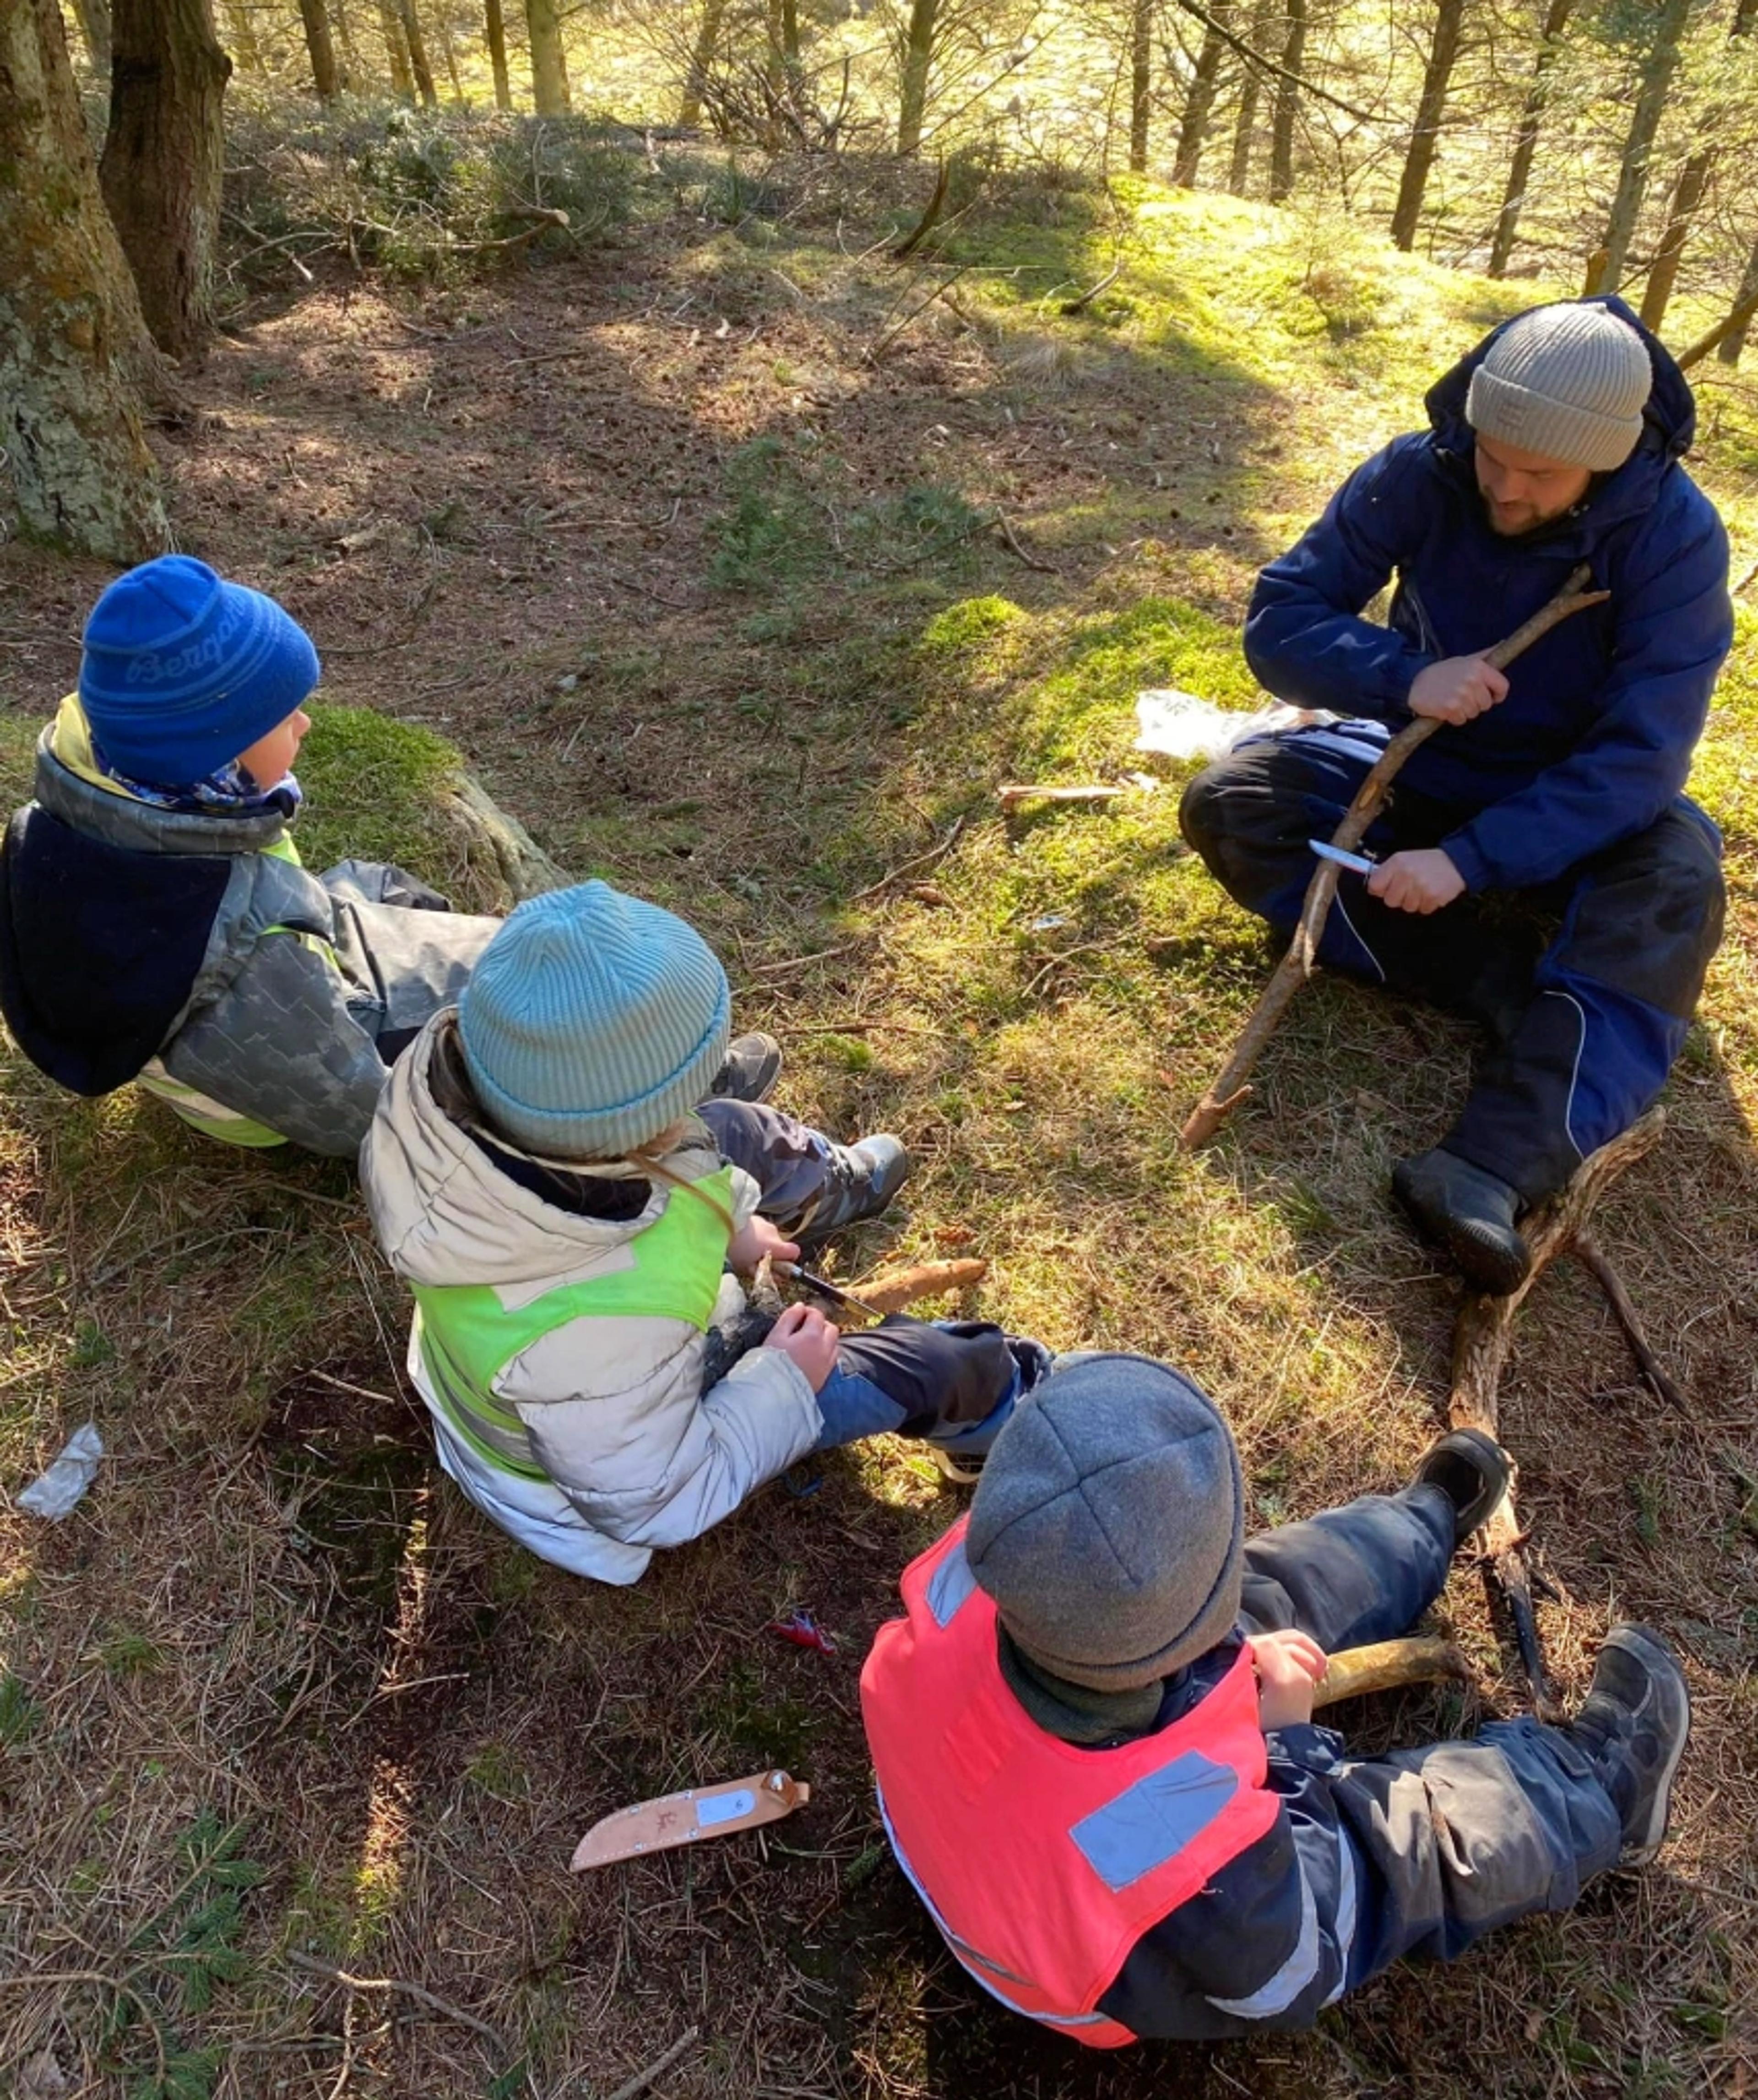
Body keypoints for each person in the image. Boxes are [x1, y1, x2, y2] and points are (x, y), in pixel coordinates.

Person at [862, 1354, 1689, 2046]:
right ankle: (1605, 1790)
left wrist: (1221, 1661)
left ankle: (1419, 1524)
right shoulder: (1183, 1844)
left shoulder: (986, 1569)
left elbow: (1125, 1634)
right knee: (1397, 1846)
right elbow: (1285, 1970)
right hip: (1098, 1968)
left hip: (991, 1820)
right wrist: (1290, 1749)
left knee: (1260, 1596)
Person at [1179, 298, 1732, 1293]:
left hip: (1576, 797)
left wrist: (1471, 860)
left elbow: (1641, 758)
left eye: (1542, 474)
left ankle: (1487, 1168)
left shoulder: (1675, 537)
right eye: (1493, 456)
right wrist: (1403, 676)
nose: (1506, 489)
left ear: (1606, 460)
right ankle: (1497, 979)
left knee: (1676, 889)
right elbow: (1283, 618)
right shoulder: (1424, 468)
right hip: (1422, 758)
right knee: (1236, 801)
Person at [361, 881, 1048, 1584]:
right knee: (923, 1362)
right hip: (582, 1469)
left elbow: (680, 1169)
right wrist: (784, 1378)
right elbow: (659, 1498)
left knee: (726, 1129)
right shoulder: (595, 1335)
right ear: (620, 1130)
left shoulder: (441, 1108)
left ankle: (824, 1185)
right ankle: (1010, 1406)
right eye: (677, 1091)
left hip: (566, 1366)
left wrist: (735, 1228)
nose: (688, 1107)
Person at [0, 555, 776, 1157]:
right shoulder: (252, 969)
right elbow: (354, 1111)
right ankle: (673, 1090)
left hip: (241, 985)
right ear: (215, 756)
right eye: (280, 717)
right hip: (283, 1065)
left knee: (385, 887)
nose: (305, 724)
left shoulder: (98, 785)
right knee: (530, 1003)